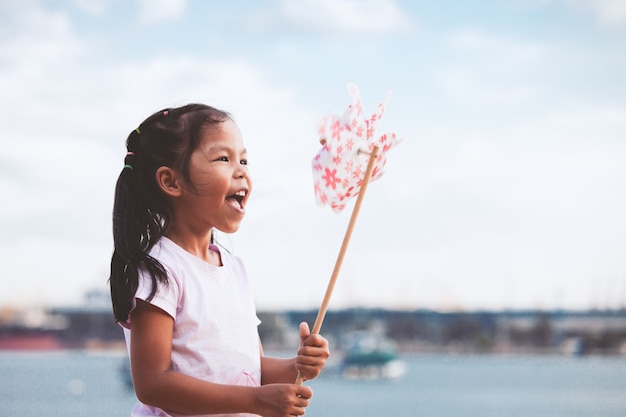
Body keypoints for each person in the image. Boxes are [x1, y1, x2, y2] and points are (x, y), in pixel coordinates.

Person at [109, 104, 330, 417]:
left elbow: (251, 369)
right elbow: (152, 385)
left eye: (243, 159)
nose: (241, 170)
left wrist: (298, 366)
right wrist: (255, 401)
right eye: (224, 158)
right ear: (171, 182)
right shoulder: (160, 269)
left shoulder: (235, 269)